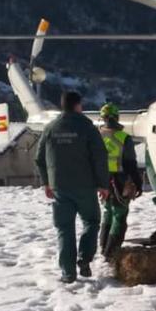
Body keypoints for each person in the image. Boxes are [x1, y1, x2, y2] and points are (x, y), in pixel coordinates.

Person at [34, 91, 110, 283]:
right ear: (78, 105)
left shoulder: (50, 128)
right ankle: (84, 259)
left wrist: (46, 182)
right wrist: (102, 184)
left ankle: (68, 274)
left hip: (59, 186)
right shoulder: (87, 127)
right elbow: (99, 156)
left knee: (64, 228)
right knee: (91, 222)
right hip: (85, 186)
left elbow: (39, 158)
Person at [98, 103, 144, 261]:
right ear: (117, 117)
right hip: (120, 180)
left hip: (102, 180)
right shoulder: (124, 137)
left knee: (108, 212)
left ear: (102, 118)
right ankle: (112, 251)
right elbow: (131, 163)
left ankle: (104, 246)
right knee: (119, 215)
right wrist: (138, 183)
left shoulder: (97, 135)